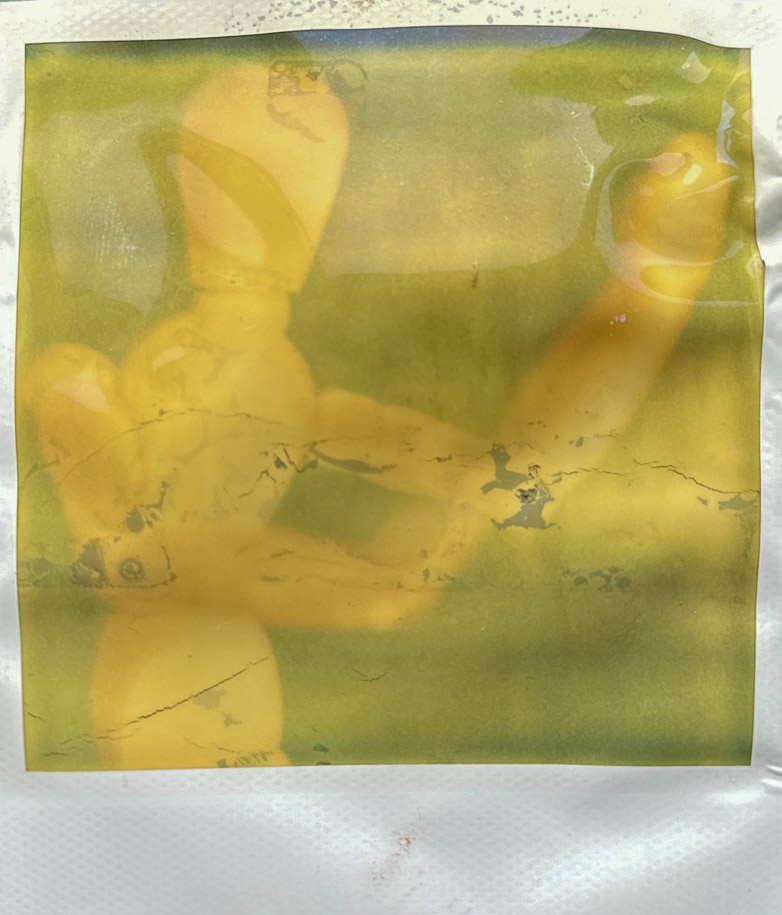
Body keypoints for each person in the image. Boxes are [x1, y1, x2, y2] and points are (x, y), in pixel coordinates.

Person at [22, 58, 735, 769]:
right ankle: (656, 291)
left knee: (517, 482)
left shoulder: (282, 399)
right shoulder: (196, 462)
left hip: (190, 649)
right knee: (495, 501)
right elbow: (124, 534)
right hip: (166, 623)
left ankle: (653, 292)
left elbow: (389, 446)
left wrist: (448, 496)